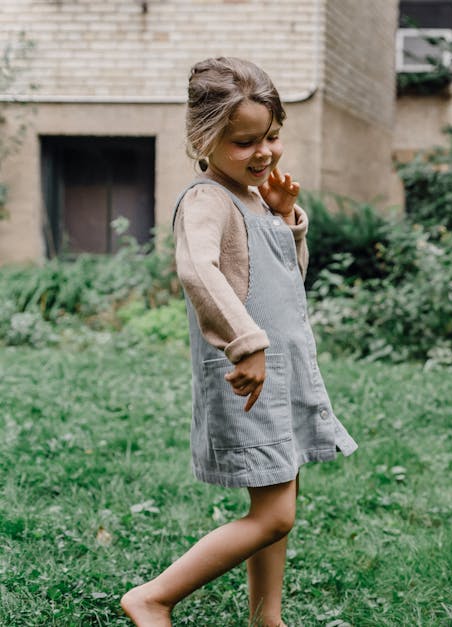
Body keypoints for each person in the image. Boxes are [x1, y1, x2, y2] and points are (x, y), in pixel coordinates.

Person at [120, 57, 357, 627]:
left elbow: (285, 280)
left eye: (272, 137)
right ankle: (151, 597)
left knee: (281, 498)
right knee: (274, 516)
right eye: (244, 142)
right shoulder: (207, 200)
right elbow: (197, 269)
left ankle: (266, 616)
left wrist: (286, 223)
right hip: (245, 377)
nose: (264, 153)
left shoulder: (253, 197)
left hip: (280, 374)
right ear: (204, 140)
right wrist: (244, 341)